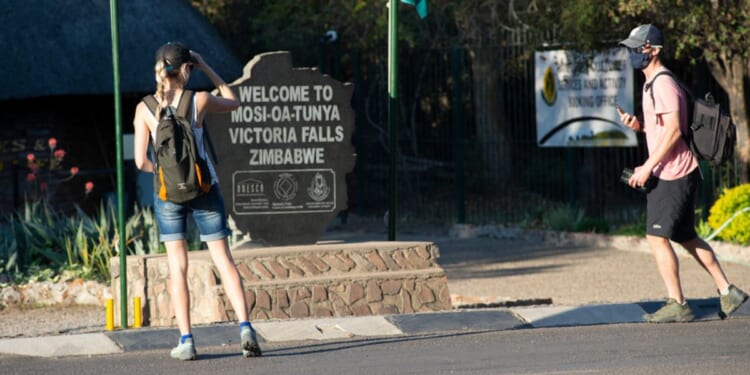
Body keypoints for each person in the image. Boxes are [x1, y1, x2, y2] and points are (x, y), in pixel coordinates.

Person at [133, 42, 262, 359]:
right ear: (187, 69)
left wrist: (165, 175)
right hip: (206, 190)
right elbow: (234, 101)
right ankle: (246, 328)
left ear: (160, 70)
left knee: (178, 268)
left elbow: (139, 162)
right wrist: (207, 67)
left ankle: (187, 341)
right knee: (224, 261)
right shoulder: (199, 100)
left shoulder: (144, 108)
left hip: (168, 196)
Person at [617, 24, 748, 323]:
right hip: (676, 171)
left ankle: (678, 303)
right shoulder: (653, 83)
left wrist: (647, 167)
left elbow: (675, 130)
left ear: (652, 49)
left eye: (638, 47)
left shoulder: (662, 83)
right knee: (686, 236)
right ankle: (729, 291)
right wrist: (640, 127)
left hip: (672, 174)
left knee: (656, 237)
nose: (633, 52)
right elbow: (666, 126)